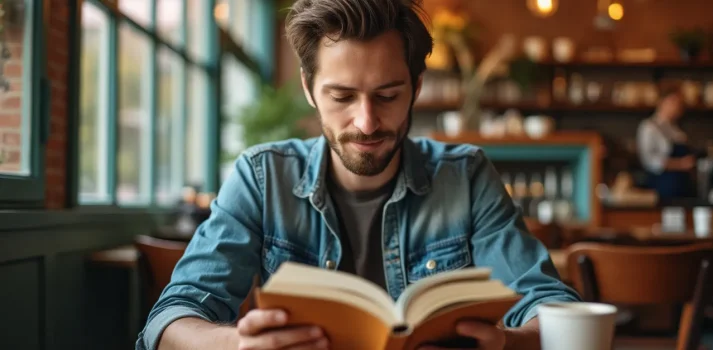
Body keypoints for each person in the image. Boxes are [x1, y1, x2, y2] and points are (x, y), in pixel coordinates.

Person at [135, 0, 580, 349]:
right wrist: (237, 345)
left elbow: (554, 307)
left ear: (416, 88)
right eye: (342, 97)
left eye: (387, 95)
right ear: (309, 89)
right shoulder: (261, 176)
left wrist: (511, 343)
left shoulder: (465, 177)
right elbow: (170, 321)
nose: (366, 123)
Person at [636, 89, 696, 200]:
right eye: (673, 102)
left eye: (680, 103)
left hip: (682, 186)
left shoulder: (676, 129)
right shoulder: (649, 127)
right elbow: (649, 161)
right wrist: (680, 164)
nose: (677, 107)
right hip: (663, 187)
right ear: (661, 101)